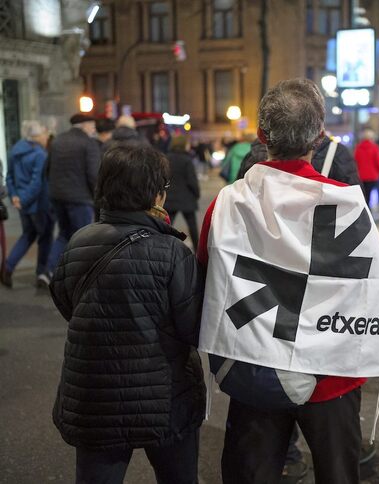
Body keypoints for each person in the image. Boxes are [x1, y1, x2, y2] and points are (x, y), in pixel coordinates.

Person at [199, 78, 376, 484]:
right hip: (332, 374)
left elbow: (211, 281)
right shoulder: (347, 207)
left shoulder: (227, 204)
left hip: (255, 364)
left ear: (262, 135)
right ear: (319, 135)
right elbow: (364, 293)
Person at [49, 144, 206, 483]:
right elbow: (194, 327)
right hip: (164, 398)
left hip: (93, 396)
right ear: (154, 195)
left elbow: (65, 301)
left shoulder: (79, 242)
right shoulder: (172, 253)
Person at [45, 113, 101, 277]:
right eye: (92, 126)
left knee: (63, 234)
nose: (94, 129)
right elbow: (93, 175)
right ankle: (79, 275)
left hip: (58, 196)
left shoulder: (57, 141)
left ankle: (49, 270)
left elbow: (47, 169)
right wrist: (99, 196)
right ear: (84, 125)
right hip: (80, 199)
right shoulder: (88, 143)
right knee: (82, 238)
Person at [2, 121, 52, 288]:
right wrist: (23, 199)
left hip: (23, 204)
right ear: (36, 136)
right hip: (38, 204)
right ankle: (42, 273)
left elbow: (9, 177)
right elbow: (37, 183)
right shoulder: (40, 154)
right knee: (45, 237)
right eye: (44, 134)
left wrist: (16, 197)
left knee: (28, 235)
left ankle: (7, 268)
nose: (46, 137)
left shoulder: (14, 151)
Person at [165, 135, 201, 251]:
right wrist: (196, 193)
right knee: (192, 227)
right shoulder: (187, 160)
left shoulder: (166, 158)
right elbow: (192, 180)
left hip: (170, 197)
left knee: (166, 226)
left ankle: (163, 247)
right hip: (186, 197)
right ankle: (197, 249)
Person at [354, 128, 379, 207]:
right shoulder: (375, 148)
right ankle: (368, 210)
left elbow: (355, 161)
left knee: (363, 195)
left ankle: (364, 209)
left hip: (361, 176)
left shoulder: (358, 148)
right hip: (372, 175)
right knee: (369, 194)